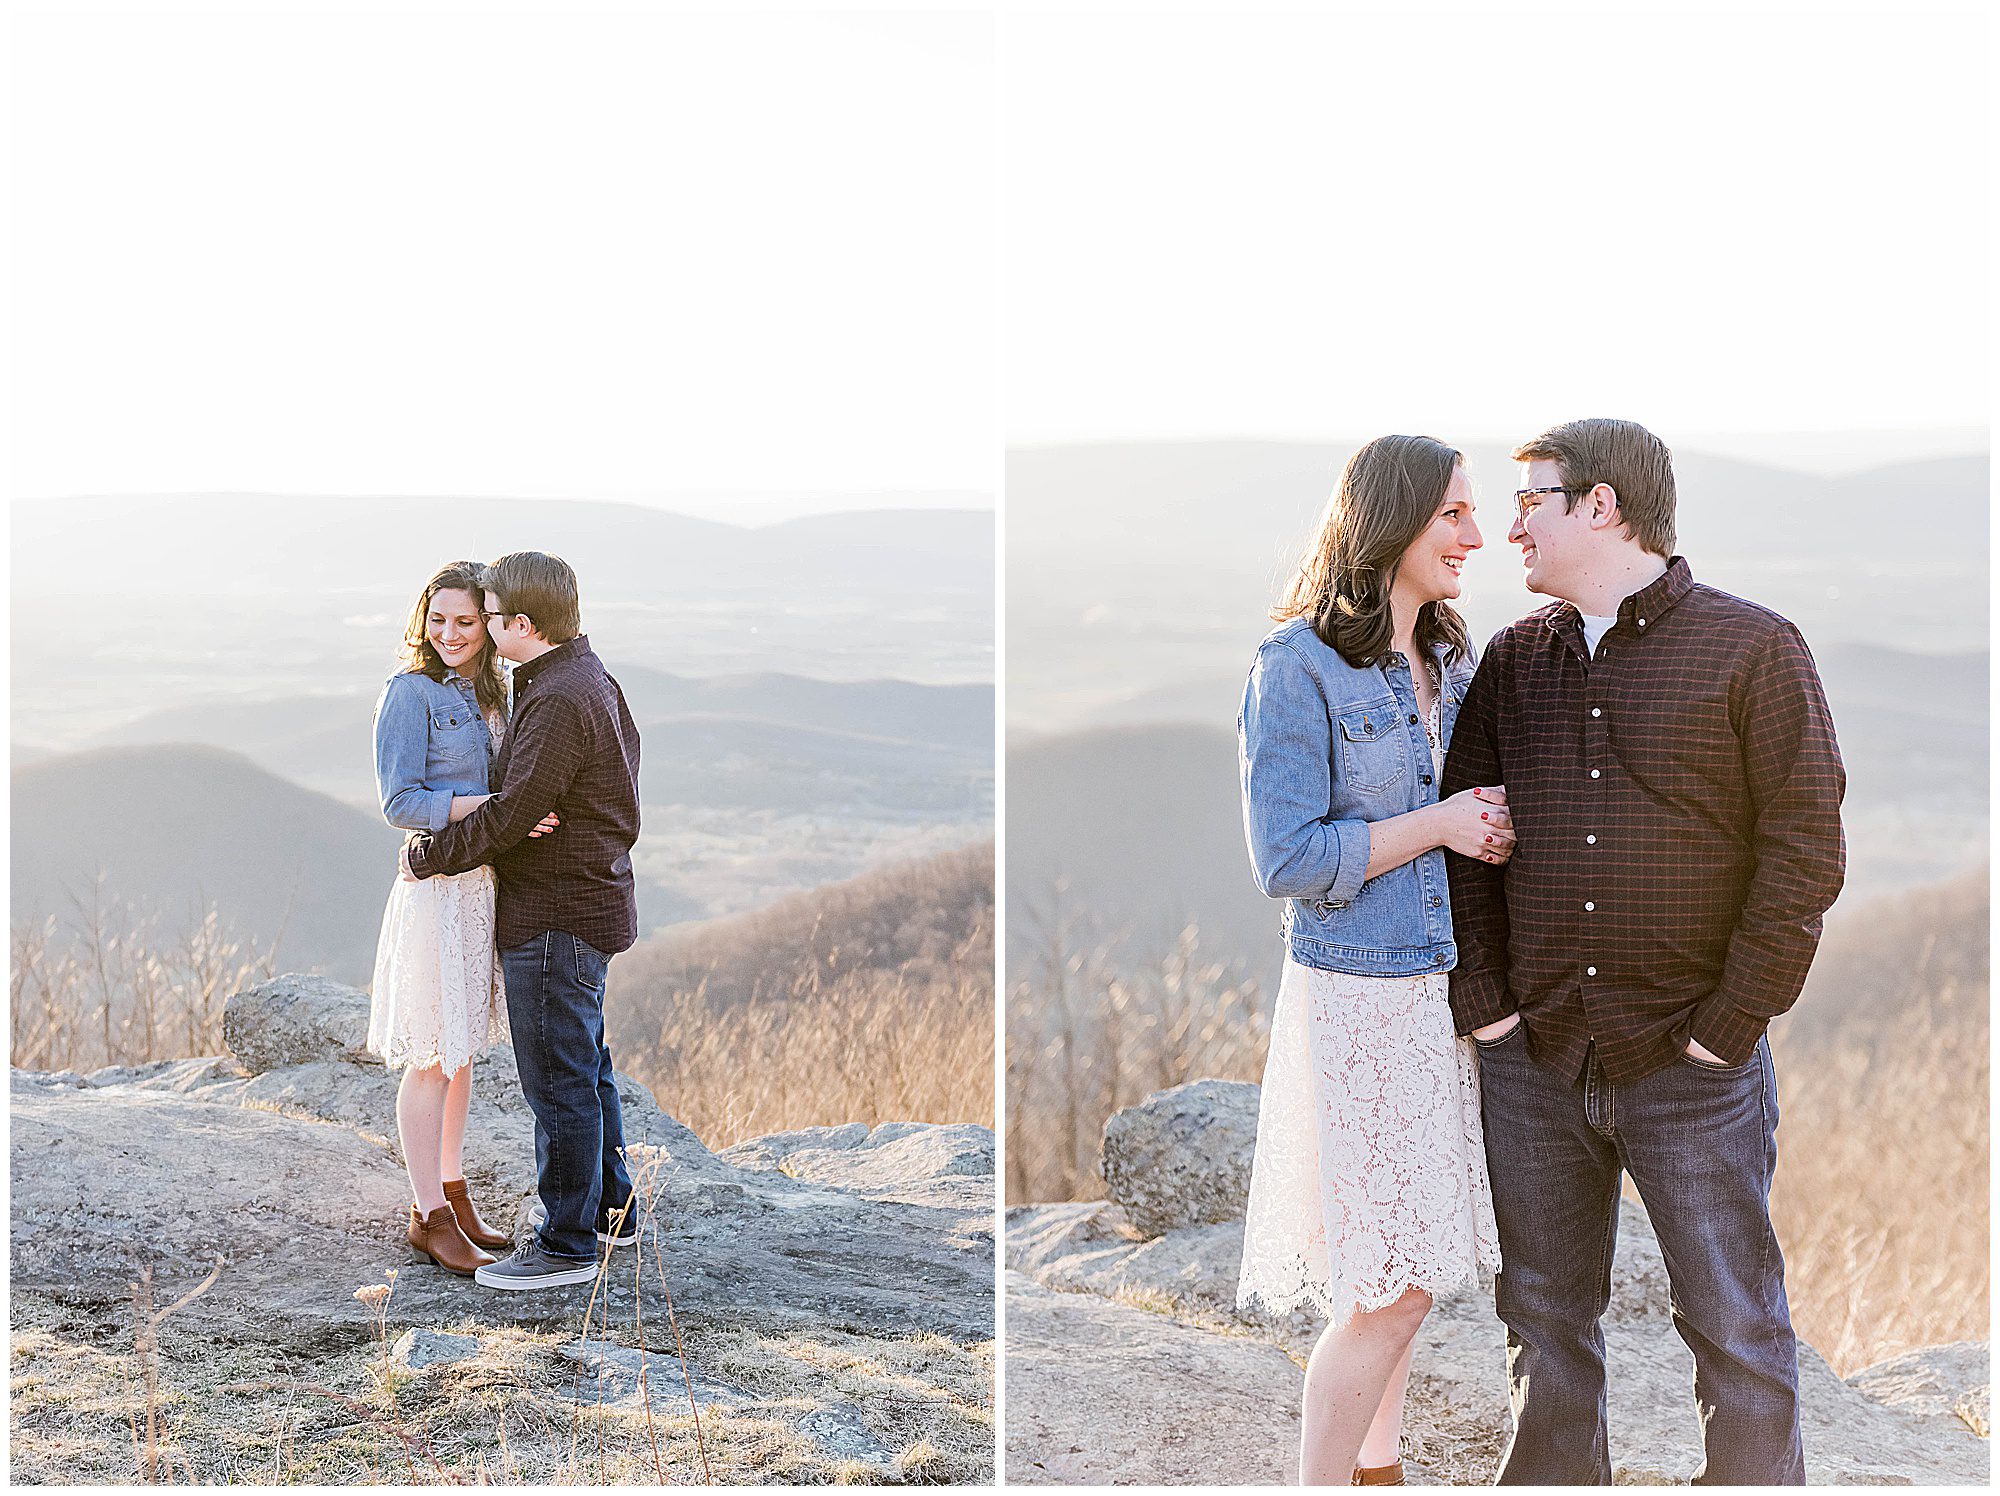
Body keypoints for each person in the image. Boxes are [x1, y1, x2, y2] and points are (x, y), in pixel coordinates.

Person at [1443, 418, 1845, 1484]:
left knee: (1734, 1331)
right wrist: (1485, 1007)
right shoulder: (1511, 657)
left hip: (1690, 1065)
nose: (1508, 525)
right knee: (1540, 1318)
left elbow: (1803, 851)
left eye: (1531, 499)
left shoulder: (1753, 647)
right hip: (1534, 1059)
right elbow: (1466, 841)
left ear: (1602, 505)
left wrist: (1728, 1026)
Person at [1236, 434, 1514, 1485]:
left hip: (1436, 992)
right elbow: (1287, 857)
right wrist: (1440, 821)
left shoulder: (1452, 657)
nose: (1473, 535)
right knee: (1391, 1285)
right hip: (1356, 998)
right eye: (1451, 513)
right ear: (1392, 520)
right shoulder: (1293, 665)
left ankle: (1377, 1470)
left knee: (1397, 1269)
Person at [399, 550, 644, 1292]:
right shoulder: (580, 676)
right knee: (588, 1065)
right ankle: (611, 1210)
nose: (477, 628)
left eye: (489, 616)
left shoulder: (558, 697)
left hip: (557, 911)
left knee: (560, 1082)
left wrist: (427, 856)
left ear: (521, 624)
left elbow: (510, 816)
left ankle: (565, 1246)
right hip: (589, 901)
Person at [368, 560, 557, 1276]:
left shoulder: (497, 692)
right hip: (438, 890)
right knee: (431, 1057)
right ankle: (428, 1215)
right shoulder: (408, 695)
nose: (449, 632)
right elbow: (400, 802)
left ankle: (453, 1188)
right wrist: (499, 812)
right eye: (437, 619)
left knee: (462, 1050)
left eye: (465, 620)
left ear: (488, 626)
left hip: (483, 887)